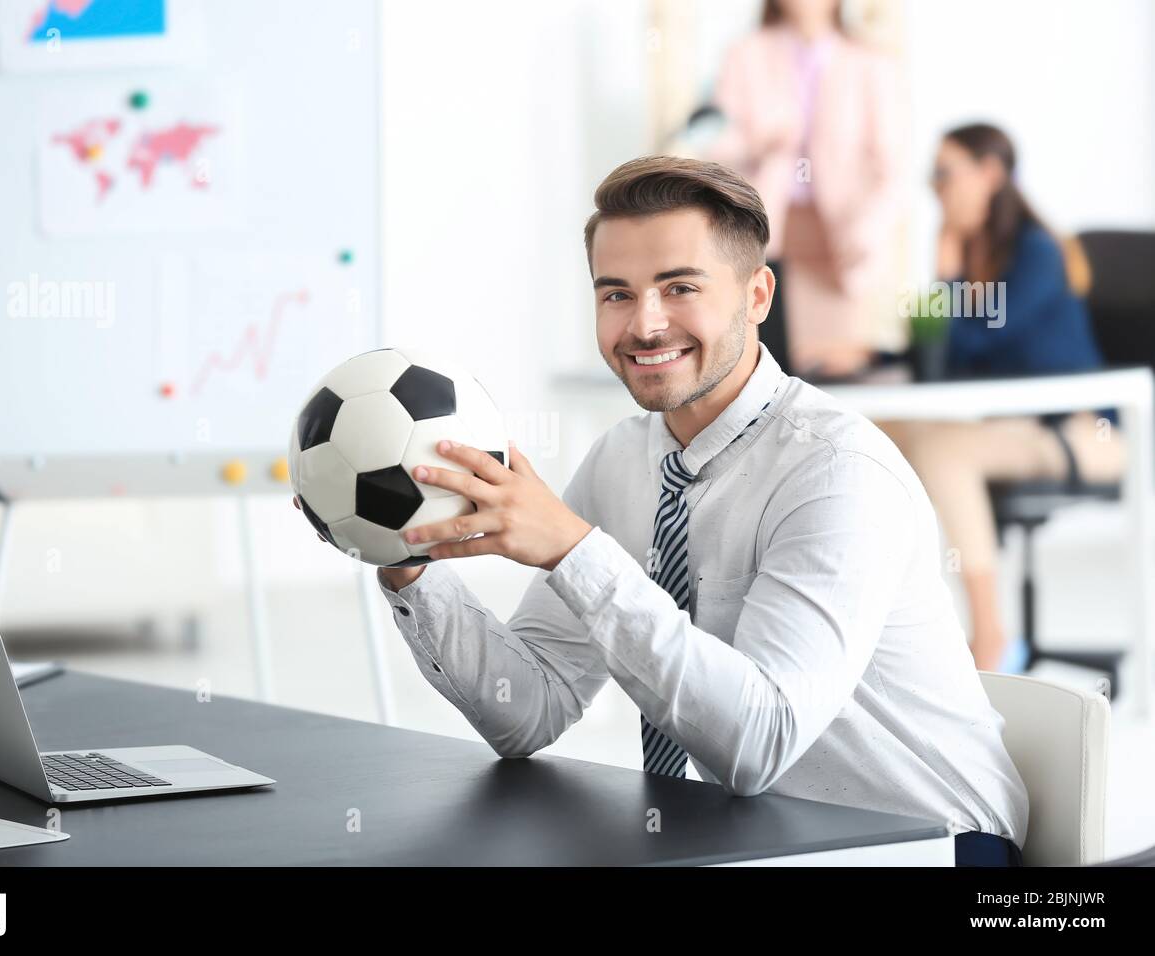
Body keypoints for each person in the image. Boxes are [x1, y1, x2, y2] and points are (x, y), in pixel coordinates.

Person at [298, 156, 1028, 866]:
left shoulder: (837, 472)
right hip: (767, 840)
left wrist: (574, 552)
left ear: (757, 297)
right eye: (616, 293)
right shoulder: (623, 460)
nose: (645, 325)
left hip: (931, 846)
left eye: (679, 288)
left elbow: (760, 742)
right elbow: (526, 712)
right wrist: (408, 562)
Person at [879, 123, 1126, 673]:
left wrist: (943, 275)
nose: (936, 189)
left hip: (1086, 433)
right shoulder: (979, 261)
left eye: (946, 174)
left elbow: (979, 336)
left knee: (943, 450)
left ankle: (990, 635)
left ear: (991, 174)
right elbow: (950, 361)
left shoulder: (1037, 252)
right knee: (879, 430)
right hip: (1024, 428)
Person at [708, 0, 903, 379]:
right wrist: (761, 143)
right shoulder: (746, 54)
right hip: (769, 234)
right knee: (764, 372)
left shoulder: (870, 63)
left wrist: (868, 228)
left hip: (842, 246)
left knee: (836, 375)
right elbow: (717, 140)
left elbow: (892, 170)